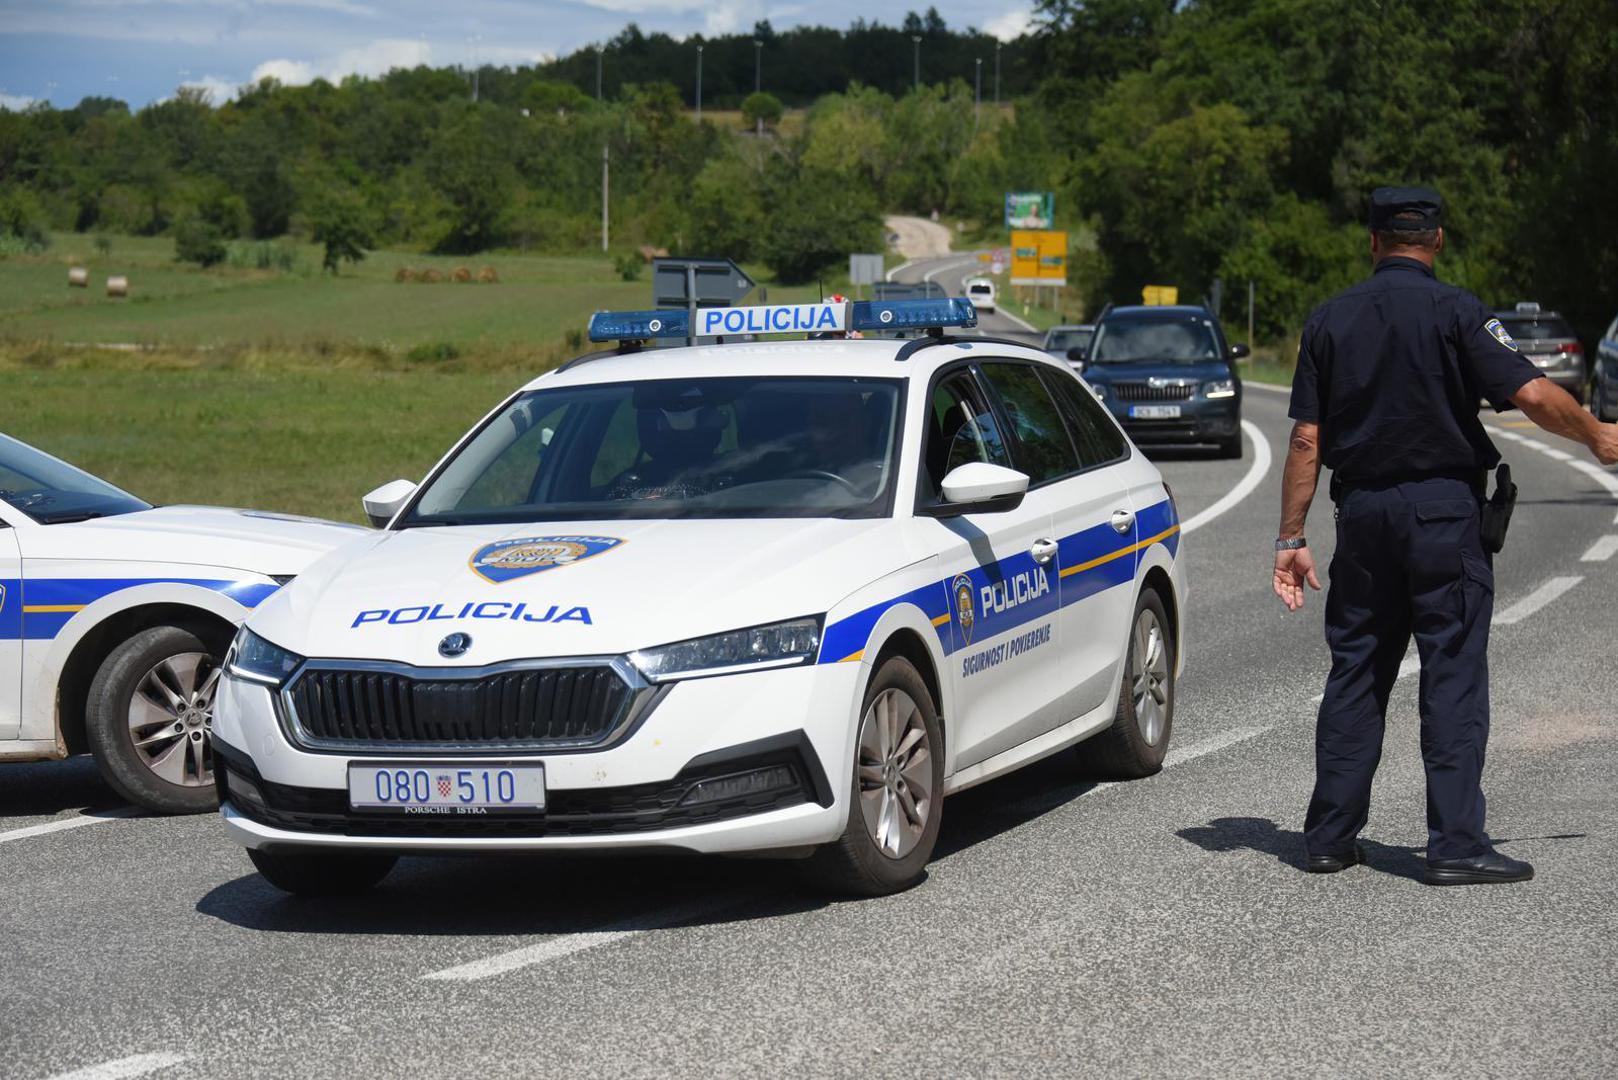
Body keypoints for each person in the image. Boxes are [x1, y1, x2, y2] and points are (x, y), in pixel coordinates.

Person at [1273, 185, 1618, 885]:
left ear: (1372, 242)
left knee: (1358, 669)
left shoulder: (1328, 321)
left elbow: (1307, 440)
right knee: (1452, 672)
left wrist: (1290, 538)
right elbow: (1532, 396)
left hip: (1362, 515)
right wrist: (1595, 435)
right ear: (1435, 241)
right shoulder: (1459, 312)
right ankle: (1455, 845)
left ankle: (1330, 839)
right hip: (1441, 514)